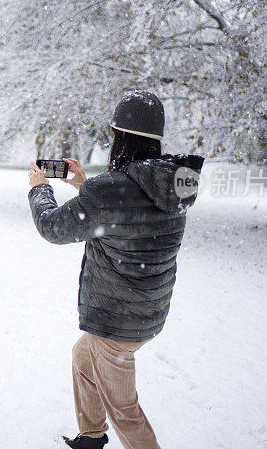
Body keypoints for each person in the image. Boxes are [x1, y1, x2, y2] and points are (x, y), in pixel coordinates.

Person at [27, 90, 204, 449]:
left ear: (119, 137)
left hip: (116, 320)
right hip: (147, 310)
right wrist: (83, 184)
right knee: (82, 356)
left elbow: (51, 226)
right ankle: (92, 435)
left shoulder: (111, 191)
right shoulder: (174, 182)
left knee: (123, 408)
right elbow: (129, 210)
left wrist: (40, 189)